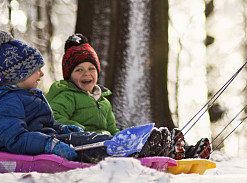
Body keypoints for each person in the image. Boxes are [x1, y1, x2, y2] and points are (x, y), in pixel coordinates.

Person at [0, 31, 179, 163]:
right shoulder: (3, 104)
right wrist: (49, 144)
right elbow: (16, 139)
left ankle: (146, 145)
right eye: (36, 70)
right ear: (20, 74)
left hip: (50, 139)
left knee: (92, 138)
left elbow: (44, 125)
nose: (42, 74)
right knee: (90, 145)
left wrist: (63, 129)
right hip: (41, 148)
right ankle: (135, 150)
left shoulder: (26, 95)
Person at [45, 33, 212, 160]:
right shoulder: (65, 95)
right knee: (139, 145)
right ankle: (164, 147)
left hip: (106, 142)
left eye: (91, 68)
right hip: (87, 145)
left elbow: (112, 130)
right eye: (79, 70)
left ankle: (185, 150)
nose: (86, 74)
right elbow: (56, 120)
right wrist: (85, 131)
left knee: (135, 138)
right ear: (69, 75)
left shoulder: (102, 101)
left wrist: (118, 136)